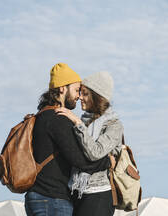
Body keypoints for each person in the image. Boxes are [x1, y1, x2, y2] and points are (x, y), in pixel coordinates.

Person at [25, 63, 111, 216]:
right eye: (77, 90)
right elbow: (80, 160)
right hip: (52, 200)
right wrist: (108, 162)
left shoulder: (42, 116)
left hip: (39, 198)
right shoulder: (58, 118)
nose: (78, 96)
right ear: (62, 88)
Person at [55, 71, 123, 216]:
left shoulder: (113, 125)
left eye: (85, 94)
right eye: (80, 93)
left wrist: (78, 124)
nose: (80, 97)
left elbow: (95, 152)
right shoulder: (83, 121)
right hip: (76, 192)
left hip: (98, 195)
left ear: (97, 97)